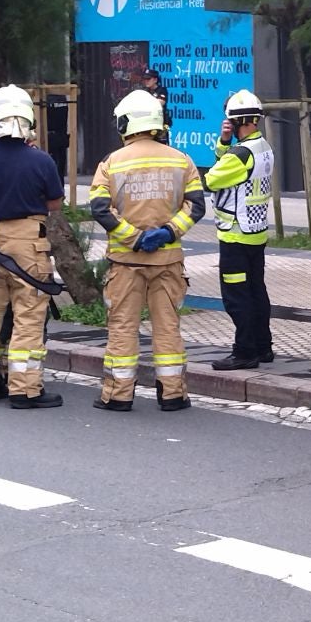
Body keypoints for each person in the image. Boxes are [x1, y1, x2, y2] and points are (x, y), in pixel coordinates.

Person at [89, 90, 205, 412]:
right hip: (168, 260)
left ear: (126, 123)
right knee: (167, 326)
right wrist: (167, 232)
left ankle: (118, 395)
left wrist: (134, 239)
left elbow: (100, 209)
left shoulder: (111, 163)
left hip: (126, 263)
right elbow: (195, 206)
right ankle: (173, 394)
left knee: (123, 327)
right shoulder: (181, 160)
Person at [0, 85, 65, 409]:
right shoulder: (40, 159)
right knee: (28, 316)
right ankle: (24, 389)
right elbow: (54, 202)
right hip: (27, 245)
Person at [203, 90, 275, 371]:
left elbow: (212, 179)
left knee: (236, 296)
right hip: (256, 232)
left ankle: (244, 351)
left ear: (237, 121)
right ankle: (263, 347)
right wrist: (225, 143)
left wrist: (224, 146)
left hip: (234, 234)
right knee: (257, 290)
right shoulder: (263, 148)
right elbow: (231, 168)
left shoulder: (239, 154)